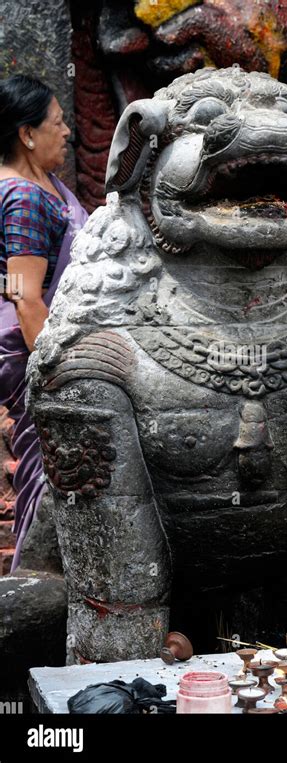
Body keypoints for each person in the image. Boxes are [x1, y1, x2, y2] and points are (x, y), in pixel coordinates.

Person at [0, 74, 88, 570]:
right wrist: (57, 380)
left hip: (52, 348)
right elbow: (26, 298)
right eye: (57, 122)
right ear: (26, 134)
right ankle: (33, 593)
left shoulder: (46, 186)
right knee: (45, 473)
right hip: (37, 356)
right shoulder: (25, 197)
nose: (68, 131)